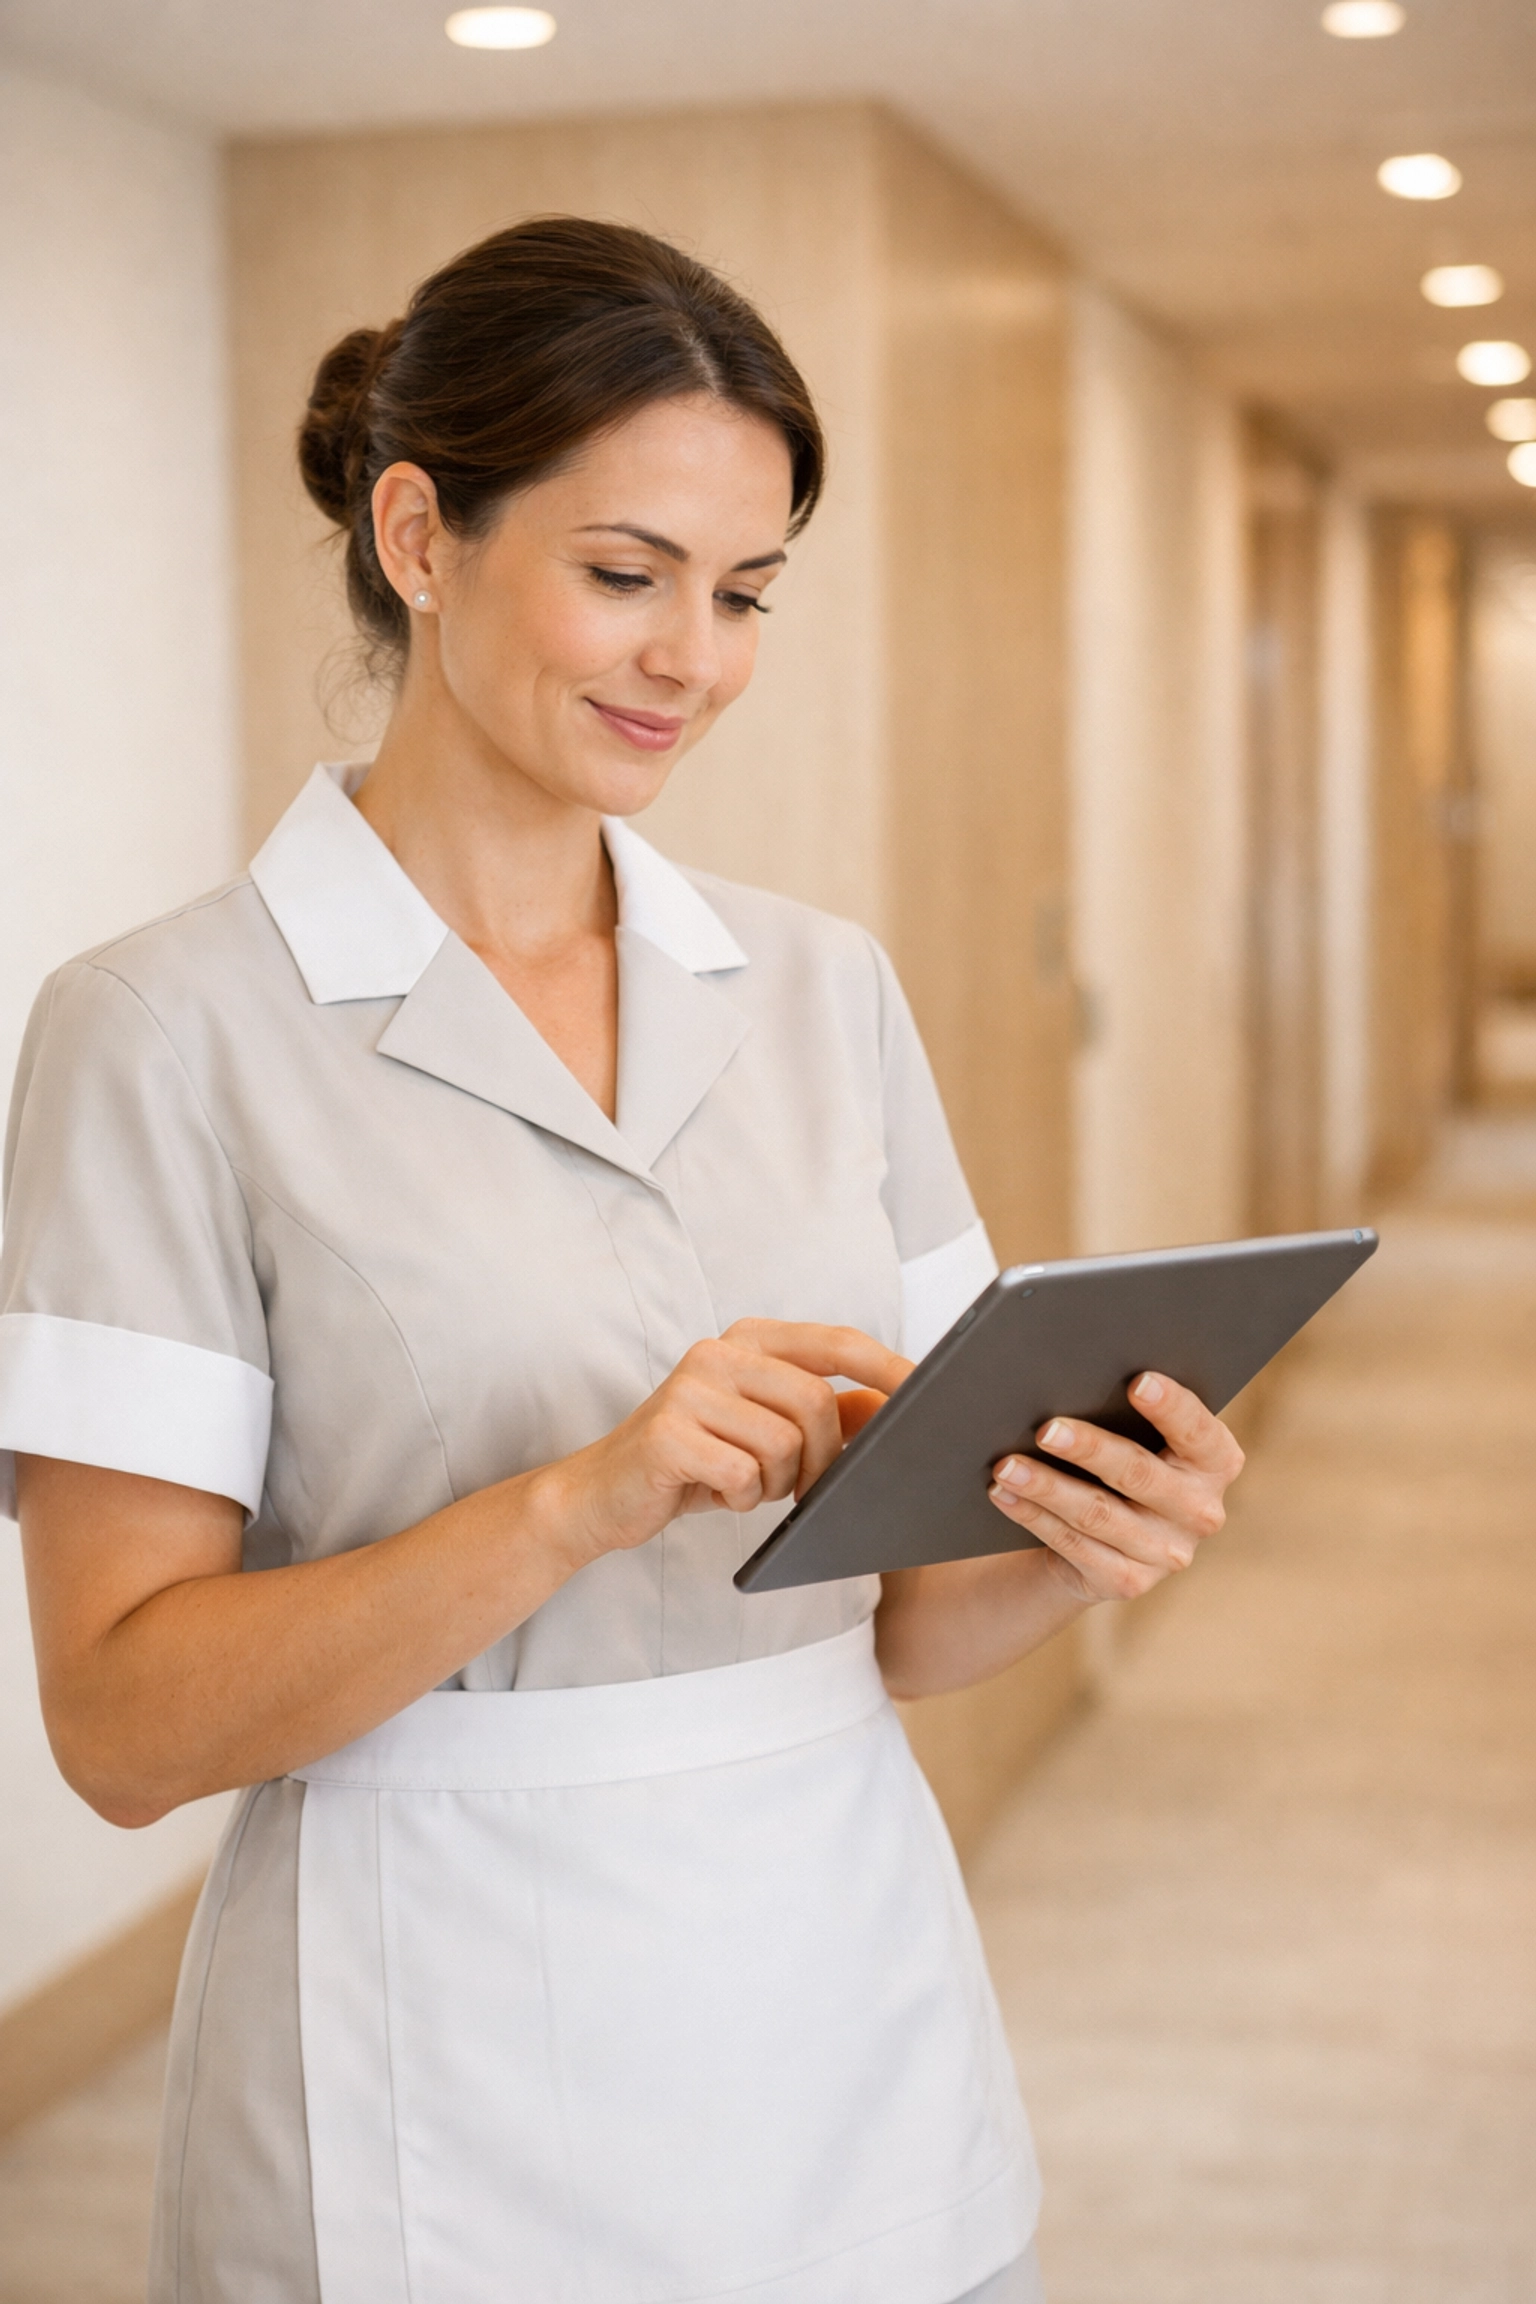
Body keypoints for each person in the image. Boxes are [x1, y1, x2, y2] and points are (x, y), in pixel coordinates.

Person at [0, 217, 1243, 2304]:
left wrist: (1085, 1532)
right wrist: (578, 1501)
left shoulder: (823, 989)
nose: (695, 658)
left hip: (845, 2009)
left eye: (744, 592)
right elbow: (122, 1727)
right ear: (420, 535)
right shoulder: (162, 1031)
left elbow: (908, 1619)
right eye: (625, 574)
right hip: (429, 2062)